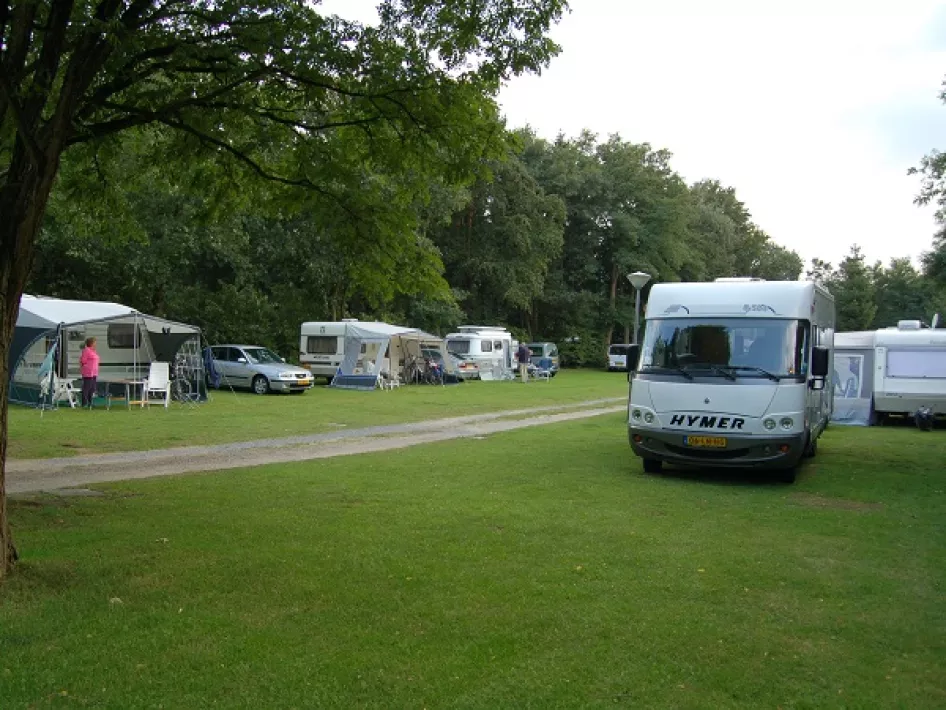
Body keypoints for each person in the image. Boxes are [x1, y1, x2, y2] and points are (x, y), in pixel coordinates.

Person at [79, 336, 100, 408]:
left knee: (92, 388)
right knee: (86, 388)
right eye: (94, 342)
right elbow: (83, 360)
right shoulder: (86, 350)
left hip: (94, 372)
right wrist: (86, 367)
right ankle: (84, 403)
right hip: (88, 372)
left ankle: (90, 402)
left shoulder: (93, 350)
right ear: (91, 343)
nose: (96, 344)